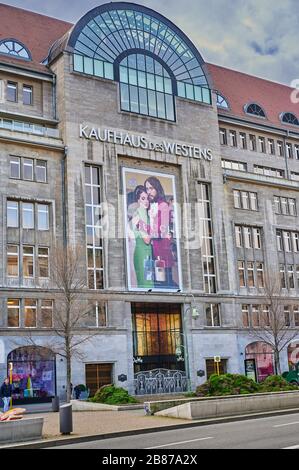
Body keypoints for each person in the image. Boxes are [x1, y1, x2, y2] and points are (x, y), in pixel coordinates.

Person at [144, 176, 177, 288]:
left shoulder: (163, 205)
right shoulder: (149, 206)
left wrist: (143, 226)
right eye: (147, 189)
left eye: (151, 188)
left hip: (162, 250)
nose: (149, 192)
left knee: (164, 284)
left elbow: (161, 231)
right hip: (152, 249)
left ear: (157, 188)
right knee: (154, 283)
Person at [131, 185, 153, 289]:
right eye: (143, 198)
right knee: (146, 285)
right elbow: (147, 239)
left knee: (149, 283)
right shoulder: (137, 215)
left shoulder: (146, 214)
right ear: (138, 200)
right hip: (142, 254)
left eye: (147, 198)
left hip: (147, 254)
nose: (146, 201)